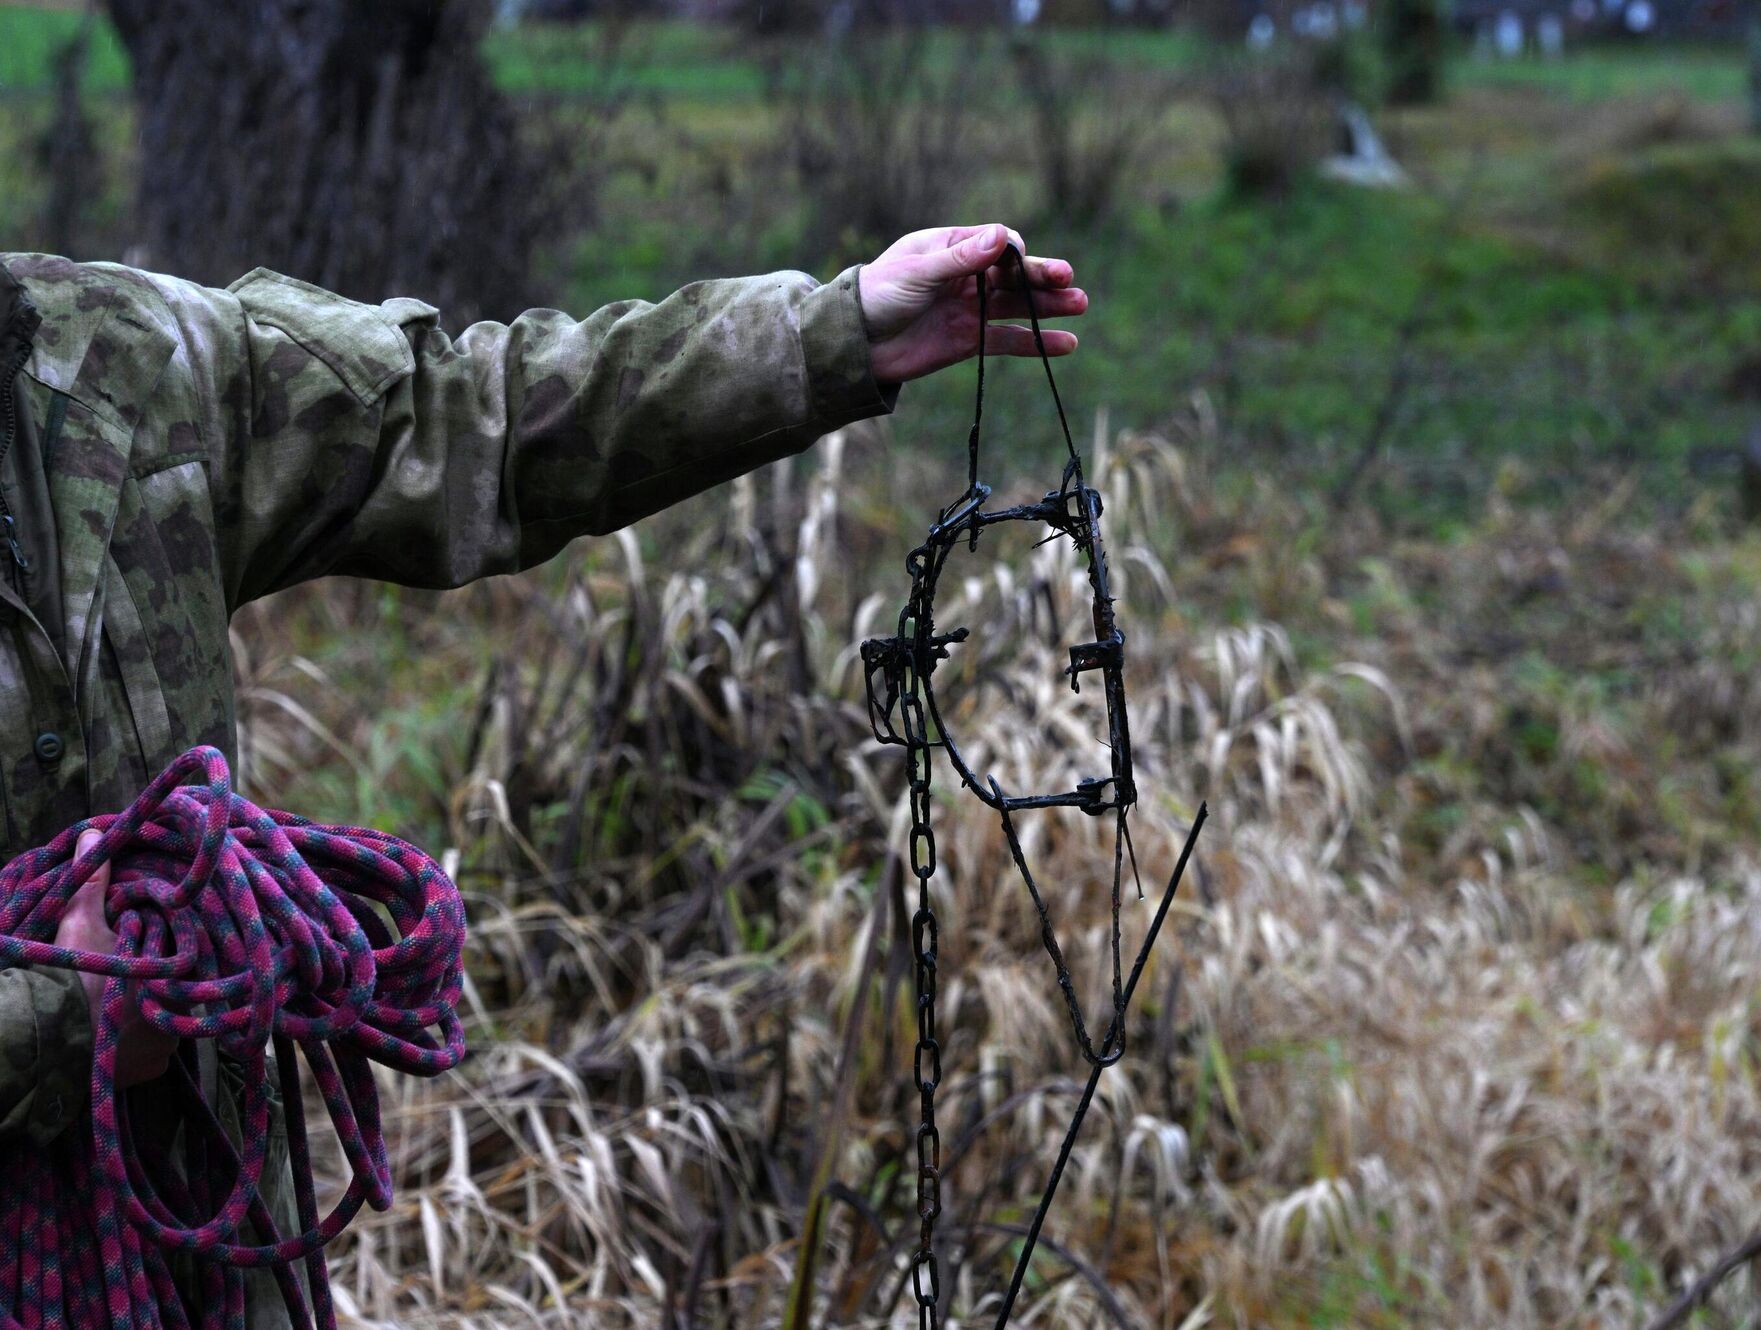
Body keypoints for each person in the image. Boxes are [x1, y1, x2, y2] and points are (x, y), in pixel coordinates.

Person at [0, 223, 1084, 1325]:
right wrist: (64, 1012)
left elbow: (473, 417)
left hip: (206, 1254)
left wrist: (838, 329)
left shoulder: (122, 360)